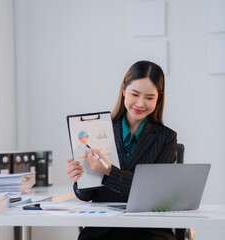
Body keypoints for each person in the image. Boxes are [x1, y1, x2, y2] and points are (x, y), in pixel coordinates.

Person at [66, 60, 177, 240]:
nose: (141, 103)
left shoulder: (166, 138)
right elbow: (87, 196)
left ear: (159, 98)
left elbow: (154, 192)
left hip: (148, 229)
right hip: (104, 229)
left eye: (149, 97)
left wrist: (109, 172)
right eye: (135, 94)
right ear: (124, 90)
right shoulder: (97, 129)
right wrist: (80, 179)